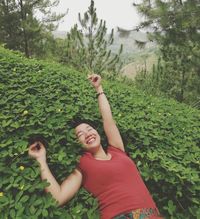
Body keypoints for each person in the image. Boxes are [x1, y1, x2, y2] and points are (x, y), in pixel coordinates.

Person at [28, 74, 164, 219]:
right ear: (78, 143)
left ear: (98, 132)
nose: (87, 133)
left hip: (152, 215)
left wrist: (99, 88)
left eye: (89, 128)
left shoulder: (117, 150)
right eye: (80, 134)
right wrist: (41, 159)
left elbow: (108, 118)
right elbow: (58, 197)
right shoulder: (83, 165)